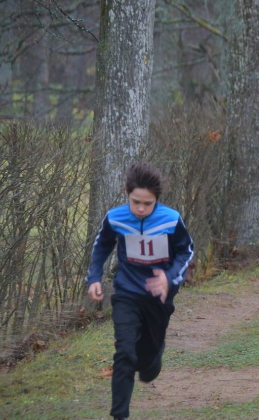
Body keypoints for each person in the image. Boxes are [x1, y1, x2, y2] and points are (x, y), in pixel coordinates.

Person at [85, 161, 194, 420]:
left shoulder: (170, 219)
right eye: (136, 202)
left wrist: (169, 278)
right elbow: (101, 247)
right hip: (127, 293)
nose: (141, 209)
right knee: (124, 352)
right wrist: (94, 277)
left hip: (159, 296)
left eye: (148, 203)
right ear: (127, 193)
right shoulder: (115, 217)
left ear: (157, 199)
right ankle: (119, 415)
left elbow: (185, 251)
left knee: (146, 365)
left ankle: (153, 358)